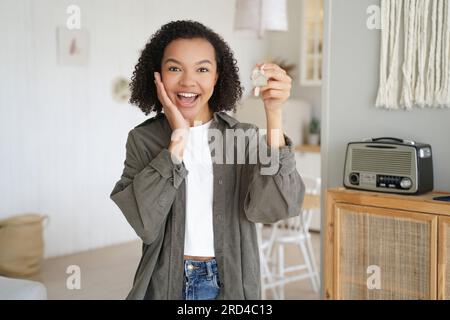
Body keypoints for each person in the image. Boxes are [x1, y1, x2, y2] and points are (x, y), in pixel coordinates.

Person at [110, 20, 305, 300]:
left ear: (216, 77)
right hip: (166, 282)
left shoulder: (243, 138)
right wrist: (178, 138)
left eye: (202, 69)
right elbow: (144, 222)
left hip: (231, 281)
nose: (188, 81)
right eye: (175, 68)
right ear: (158, 76)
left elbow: (275, 208)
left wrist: (274, 113)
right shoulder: (143, 140)